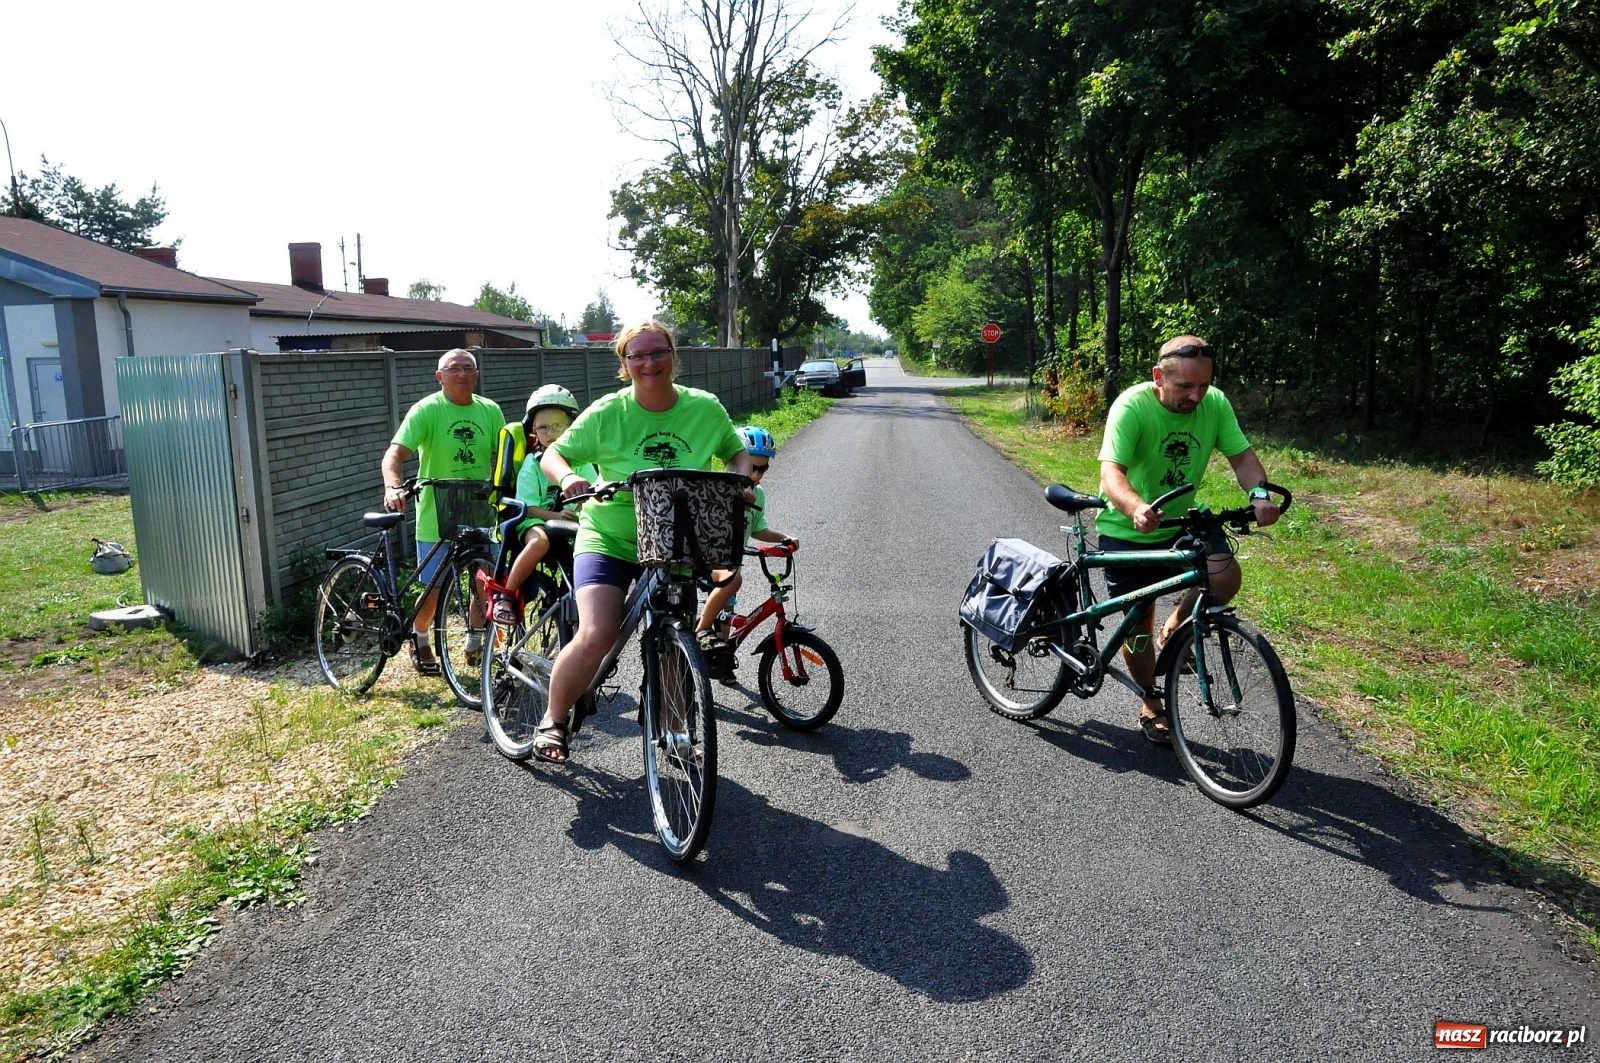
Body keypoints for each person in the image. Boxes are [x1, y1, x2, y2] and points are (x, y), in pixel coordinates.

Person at [535, 321, 754, 764]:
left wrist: (739, 480)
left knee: (674, 636)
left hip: (676, 539)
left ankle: (674, 731)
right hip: (610, 537)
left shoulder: (705, 409)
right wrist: (572, 477)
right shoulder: (606, 413)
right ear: (624, 364)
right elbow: (553, 455)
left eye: (658, 352)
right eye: (637, 355)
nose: (649, 363)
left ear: (674, 356)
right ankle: (553, 721)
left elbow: (736, 450)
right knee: (597, 633)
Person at [1097, 334, 1280, 745]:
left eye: (1204, 385)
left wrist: (1260, 494)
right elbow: (1111, 474)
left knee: (1224, 577)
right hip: (1128, 528)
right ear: (1158, 376)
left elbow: (1242, 458)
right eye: (1185, 387)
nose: (1196, 396)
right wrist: (1136, 507)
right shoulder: (1132, 406)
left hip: (1180, 522)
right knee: (1136, 626)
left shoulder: (1214, 403)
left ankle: (1175, 629)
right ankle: (1150, 700)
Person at [381, 349, 506, 674]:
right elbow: (394, 455)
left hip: (480, 507)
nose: (461, 374)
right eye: (454, 369)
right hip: (437, 512)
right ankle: (419, 635)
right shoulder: (427, 410)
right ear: (440, 376)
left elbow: (507, 458)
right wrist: (392, 486)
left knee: (485, 578)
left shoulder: (490, 411)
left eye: (468, 369)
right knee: (435, 588)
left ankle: (476, 640)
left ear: (476, 375)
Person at [694, 425, 798, 681]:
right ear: (734, 462)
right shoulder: (718, 487)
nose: (758, 475)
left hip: (731, 562)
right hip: (706, 559)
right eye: (753, 467)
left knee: (728, 607)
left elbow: (758, 530)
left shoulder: (758, 494)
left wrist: (783, 538)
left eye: (764, 469)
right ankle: (700, 631)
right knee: (731, 585)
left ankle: (722, 658)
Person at [489, 384, 598, 624]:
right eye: (543, 428)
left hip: (571, 523)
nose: (552, 433)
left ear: (572, 428)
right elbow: (526, 507)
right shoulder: (532, 463)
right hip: (532, 519)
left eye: (559, 426)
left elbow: (590, 495)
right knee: (539, 542)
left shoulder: (581, 462)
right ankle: (506, 595)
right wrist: (555, 516)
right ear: (534, 432)